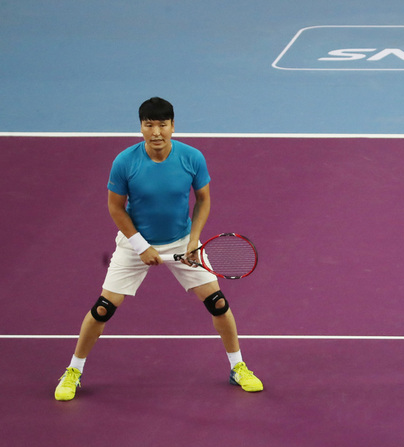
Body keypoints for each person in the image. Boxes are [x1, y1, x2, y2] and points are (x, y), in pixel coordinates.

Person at [54, 97, 263, 401]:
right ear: (141, 127)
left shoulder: (192, 157)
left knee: (217, 303)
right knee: (103, 308)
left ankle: (238, 366)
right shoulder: (125, 161)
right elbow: (115, 208)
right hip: (134, 242)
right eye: (149, 125)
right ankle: (73, 371)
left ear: (172, 126)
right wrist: (140, 246)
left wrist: (194, 239)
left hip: (182, 242)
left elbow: (203, 199)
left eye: (162, 125)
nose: (156, 132)